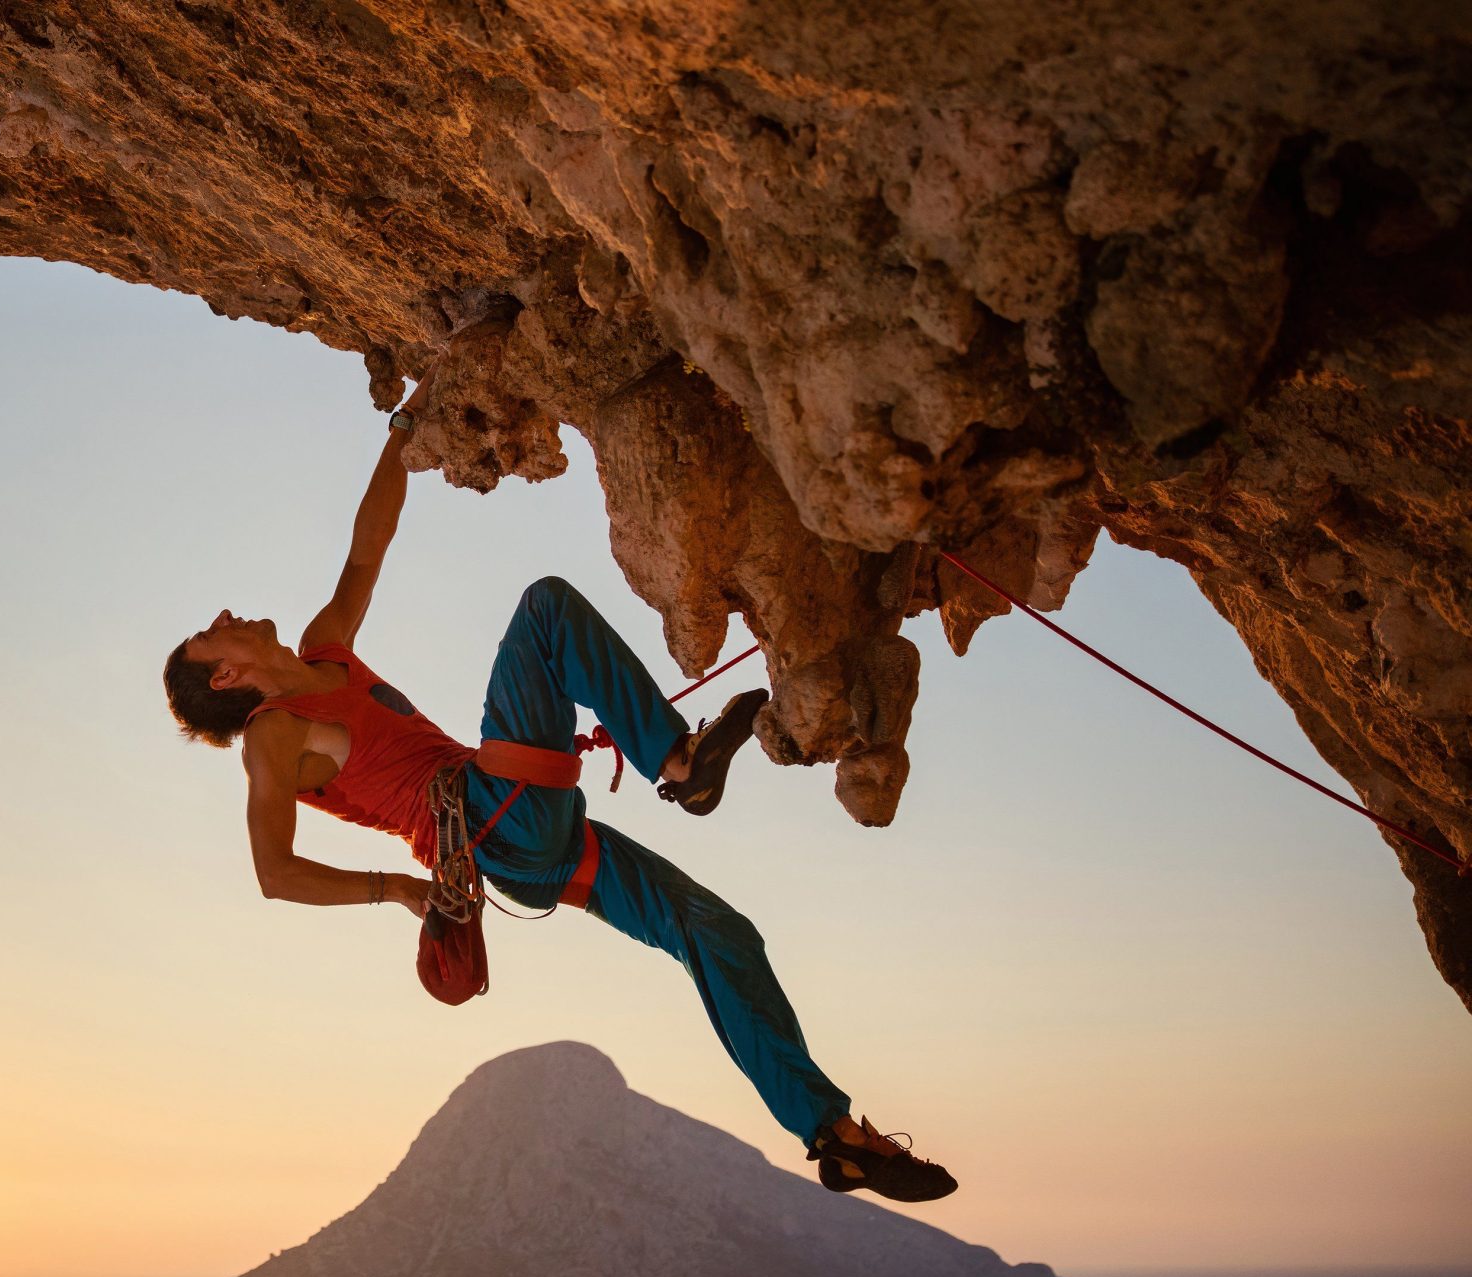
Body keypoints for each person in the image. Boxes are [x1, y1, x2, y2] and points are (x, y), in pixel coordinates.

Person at [161, 389, 957, 1203]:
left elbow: (370, 544)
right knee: (544, 613)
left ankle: (834, 1134)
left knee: (720, 935)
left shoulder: (325, 649)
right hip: (488, 820)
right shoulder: (274, 732)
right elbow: (275, 872)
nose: (223, 613)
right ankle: (677, 762)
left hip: (531, 836)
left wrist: (404, 429)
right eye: (209, 631)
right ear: (225, 675)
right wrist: (398, 890)